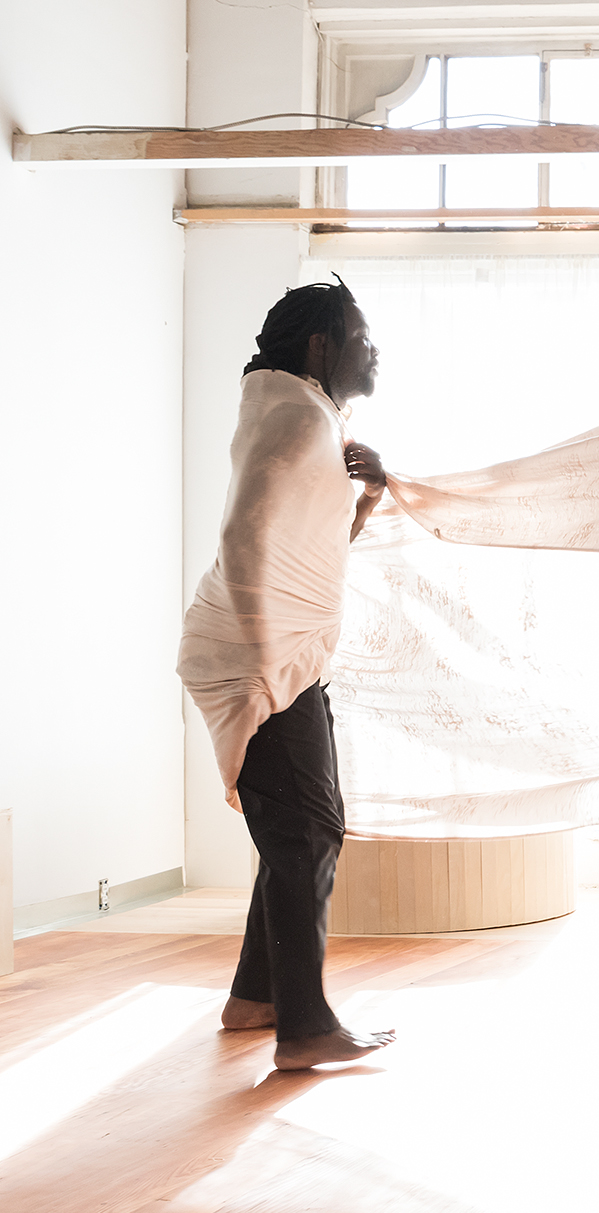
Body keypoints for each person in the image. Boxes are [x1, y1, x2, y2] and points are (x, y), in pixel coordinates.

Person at [177, 279, 398, 1072]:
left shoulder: (303, 413)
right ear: (319, 345)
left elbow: (310, 541)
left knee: (301, 830)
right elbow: (245, 535)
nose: (374, 352)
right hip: (261, 657)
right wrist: (267, 663)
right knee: (306, 831)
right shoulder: (300, 417)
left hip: (275, 653)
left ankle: (257, 998)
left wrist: (367, 498)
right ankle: (303, 1030)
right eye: (362, 338)